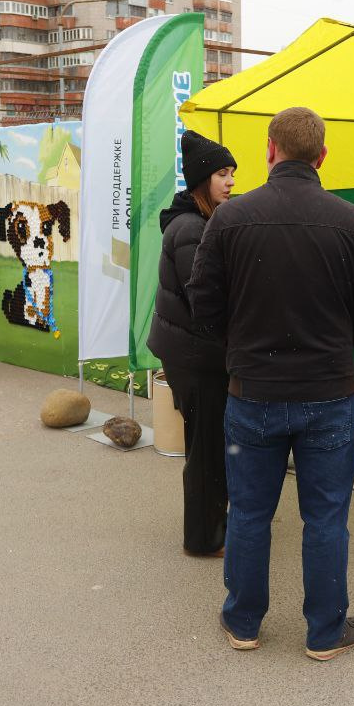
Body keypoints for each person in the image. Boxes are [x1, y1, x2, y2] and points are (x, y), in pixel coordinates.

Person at [189, 107, 354, 661]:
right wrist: (333, 344)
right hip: (329, 393)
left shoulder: (229, 221)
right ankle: (325, 633)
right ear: (322, 157)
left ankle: (243, 623)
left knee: (251, 514)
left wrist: (243, 346)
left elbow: (202, 305)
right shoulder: (353, 221)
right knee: (325, 517)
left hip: (252, 394)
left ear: (269, 151)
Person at [147, 130, 237, 558]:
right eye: (222, 173)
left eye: (232, 172)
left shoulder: (199, 223)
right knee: (205, 450)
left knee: (208, 443)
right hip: (196, 355)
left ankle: (211, 524)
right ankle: (203, 539)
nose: (231, 181)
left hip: (192, 350)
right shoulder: (189, 229)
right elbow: (204, 298)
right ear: (203, 179)